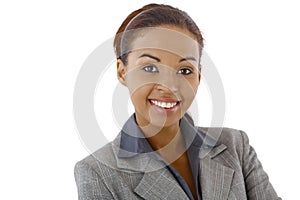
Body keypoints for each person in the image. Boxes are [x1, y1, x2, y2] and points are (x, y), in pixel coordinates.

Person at [74, 3, 281, 200]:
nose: (170, 86)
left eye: (184, 70)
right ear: (122, 72)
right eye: (149, 68)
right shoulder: (98, 172)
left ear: (198, 77)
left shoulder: (236, 146)